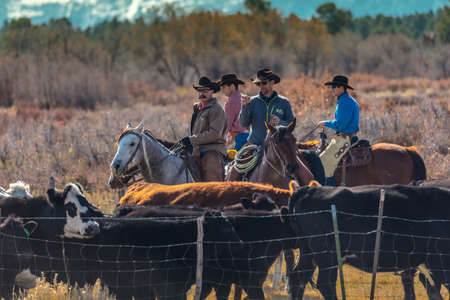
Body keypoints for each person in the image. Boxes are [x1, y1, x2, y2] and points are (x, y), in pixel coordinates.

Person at [180, 77, 227, 181]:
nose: (202, 93)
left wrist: (191, 140)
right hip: (197, 150)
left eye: (205, 91)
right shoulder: (198, 108)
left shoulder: (216, 109)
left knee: (211, 184)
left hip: (213, 150)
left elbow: (215, 134)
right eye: (200, 90)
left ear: (212, 92)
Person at [318, 75, 359, 186]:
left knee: (324, 161)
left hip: (345, 139)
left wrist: (325, 123)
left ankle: (329, 192)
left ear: (342, 87)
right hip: (344, 137)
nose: (332, 89)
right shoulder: (346, 100)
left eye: (334, 87)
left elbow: (340, 125)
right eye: (332, 87)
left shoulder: (345, 102)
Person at [239, 68, 294, 145]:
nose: (261, 86)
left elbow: (291, 124)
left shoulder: (284, 102)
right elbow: (243, 124)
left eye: (264, 83)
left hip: (278, 147)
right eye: (258, 84)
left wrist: (280, 122)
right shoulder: (251, 101)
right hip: (255, 145)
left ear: (272, 82)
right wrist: (244, 107)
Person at [218, 73, 249, 151]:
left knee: (227, 159)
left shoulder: (230, 102)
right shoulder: (245, 99)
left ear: (231, 86)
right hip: (250, 136)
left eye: (224, 87)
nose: (222, 90)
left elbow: (227, 125)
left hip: (237, 138)